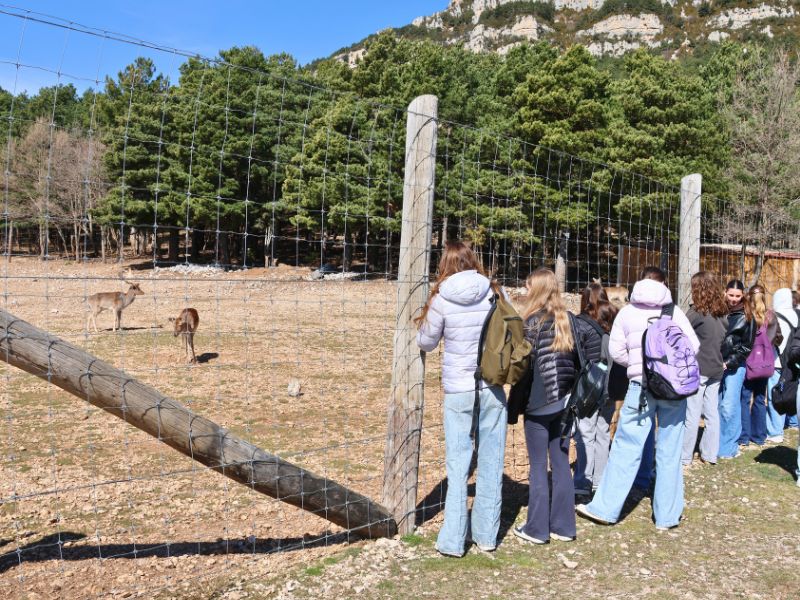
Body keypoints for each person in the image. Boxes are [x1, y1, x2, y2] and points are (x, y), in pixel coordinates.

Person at [576, 266, 700, 530]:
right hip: (673, 389)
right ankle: (667, 516)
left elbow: (615, 351)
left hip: (640, 386)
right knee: (669, 449)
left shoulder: (628, 313)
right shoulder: (673, 311)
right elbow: (694, 346)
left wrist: (637, 365)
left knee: (626, 447)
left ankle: (606, 508)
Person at [416, 241, 507, 557]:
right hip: (493, 386)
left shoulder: (442, 299)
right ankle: (486, 535)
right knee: (492, 461)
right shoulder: (494, 291)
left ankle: (453, 540)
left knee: (458, 464)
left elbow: (426, 342)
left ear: (445, 264)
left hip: (459, 388)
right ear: (473, 261)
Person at [513, 268, 598, 544]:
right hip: (564, 402)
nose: (524, 291)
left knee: (538, 466)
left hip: (539, 404)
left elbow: (523, 368)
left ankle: (536, 529)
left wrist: (516, 403)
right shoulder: (569, 320)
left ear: (536, 290)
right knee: (560, 462)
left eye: (527, 286)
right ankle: (563, 526)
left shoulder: (532, 324)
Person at [573, 282, 620, 498]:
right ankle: (600, 481)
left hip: (589, 386)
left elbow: (576, 356)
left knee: (585, 433)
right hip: (610, 385)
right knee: (603, 432)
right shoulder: (615, 320)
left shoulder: (579, 324)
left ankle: (583, 480)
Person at [682, 272, 728, 467]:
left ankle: (684, 456)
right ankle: (710, 454)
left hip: (699, 369)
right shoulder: (723, 313)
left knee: (691, 414)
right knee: (711, 413)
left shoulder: (694, 314)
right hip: (717, 368)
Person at [738, 284, 779, 449]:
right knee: (760, 399)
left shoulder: (746, 315)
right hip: (765, 365)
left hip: (748, 362)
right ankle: (760, 436)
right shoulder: (771, 316)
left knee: (744, 399)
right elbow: (778, 337)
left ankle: (744, 437)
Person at [718, 280, 755, 459]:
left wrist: (730, 362)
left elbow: (747, 347)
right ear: (725, 293)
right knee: (716, 406)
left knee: (728, 406)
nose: (733, 299)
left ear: (743, 295)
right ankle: (717, 442)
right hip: (715, 363)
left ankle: (729, 447)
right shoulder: (719, 311)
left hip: (735, 366)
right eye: (731, 295)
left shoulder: (747, 316)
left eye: (737, 296)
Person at [766, 288, 797, 444]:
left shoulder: (774, 316)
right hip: (794, 361)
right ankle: (793, 422)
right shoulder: (798, 314)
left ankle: (775, 432)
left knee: (775, 395)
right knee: (793, 392)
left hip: (778, 361)